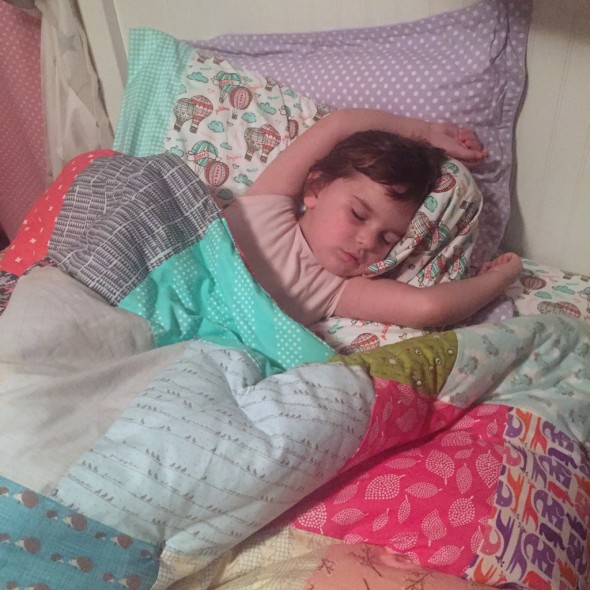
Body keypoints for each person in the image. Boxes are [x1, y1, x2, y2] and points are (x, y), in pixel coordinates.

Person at [224, 108, 522, 329]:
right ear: (316, 188)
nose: (367, 242)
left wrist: (501, 278)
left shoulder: (336, 289)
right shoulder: (265, 208)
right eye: (357, 214)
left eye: (388, 239)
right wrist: (429, 133)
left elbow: (429, 308)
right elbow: (339, 124)